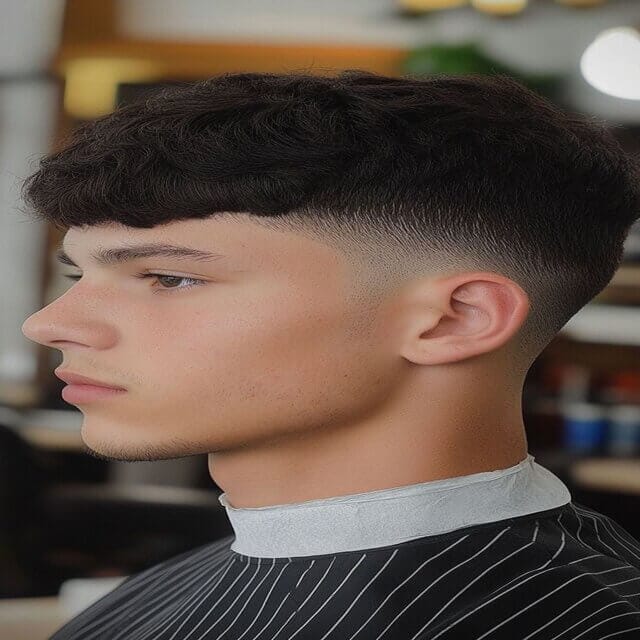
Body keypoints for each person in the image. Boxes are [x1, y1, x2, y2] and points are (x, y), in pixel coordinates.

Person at [19, 69, 640, 639]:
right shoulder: (172, 584)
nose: (48, 325)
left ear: (455, 319)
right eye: (78, 278)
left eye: (171, 278)